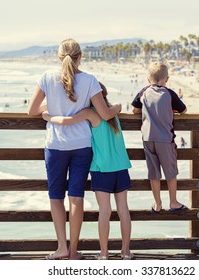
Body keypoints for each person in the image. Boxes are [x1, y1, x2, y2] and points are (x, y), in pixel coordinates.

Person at [27, 39, 121, 260]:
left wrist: (50, 109)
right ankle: (73, 251)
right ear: (80, 57)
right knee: (76, 198)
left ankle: (61, 247)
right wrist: (117, 107)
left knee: (55, 197)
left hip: (55, 146)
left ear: (59, 57)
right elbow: (106, 115)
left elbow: (31, 110)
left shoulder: (47, 77)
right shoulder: (89, 80)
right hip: (81, 146)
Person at [42, 83, 133, 260]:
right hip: (121, 167)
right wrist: (119, 106)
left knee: (104, 211)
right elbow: (117, 107)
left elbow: (66, 121)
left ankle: (104, 254)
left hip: (102, 169)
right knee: (124, 210)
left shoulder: (90, 113)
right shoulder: (113, 113)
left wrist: (47, 116)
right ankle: (126, 251)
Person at [131, 62, 188, 214]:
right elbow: (184, 110)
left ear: (148, 78)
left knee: (154, 172)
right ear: (166, 79)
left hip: (148, 138)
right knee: (170, 172)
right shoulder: (169, 94)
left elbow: (134, 110)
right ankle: (173, 202)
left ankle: (157, 203)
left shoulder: (144, 92)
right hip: (165, 138)